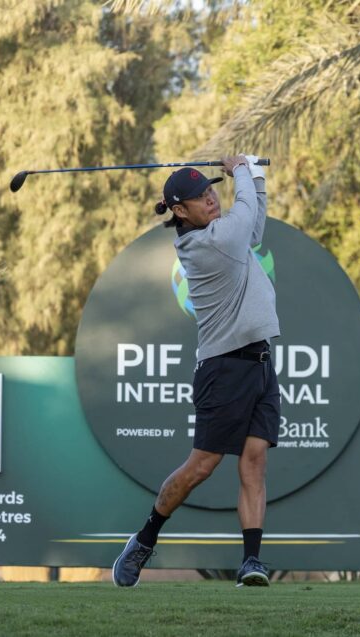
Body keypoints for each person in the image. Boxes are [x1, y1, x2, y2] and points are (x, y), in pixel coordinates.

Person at [112, 154, 280, 588]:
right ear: (179, 210)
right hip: (224, 368)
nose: (211, 200)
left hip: (261, 363)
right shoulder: (203, 244)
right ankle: (145, 539)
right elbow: (244, 221)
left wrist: (256, 178)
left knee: (255, 461)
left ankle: (251, 562)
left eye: (211, 192)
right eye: (200, 198)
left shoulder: (224, 236)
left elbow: (253, 226)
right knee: (201, 466)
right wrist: (240, 170)